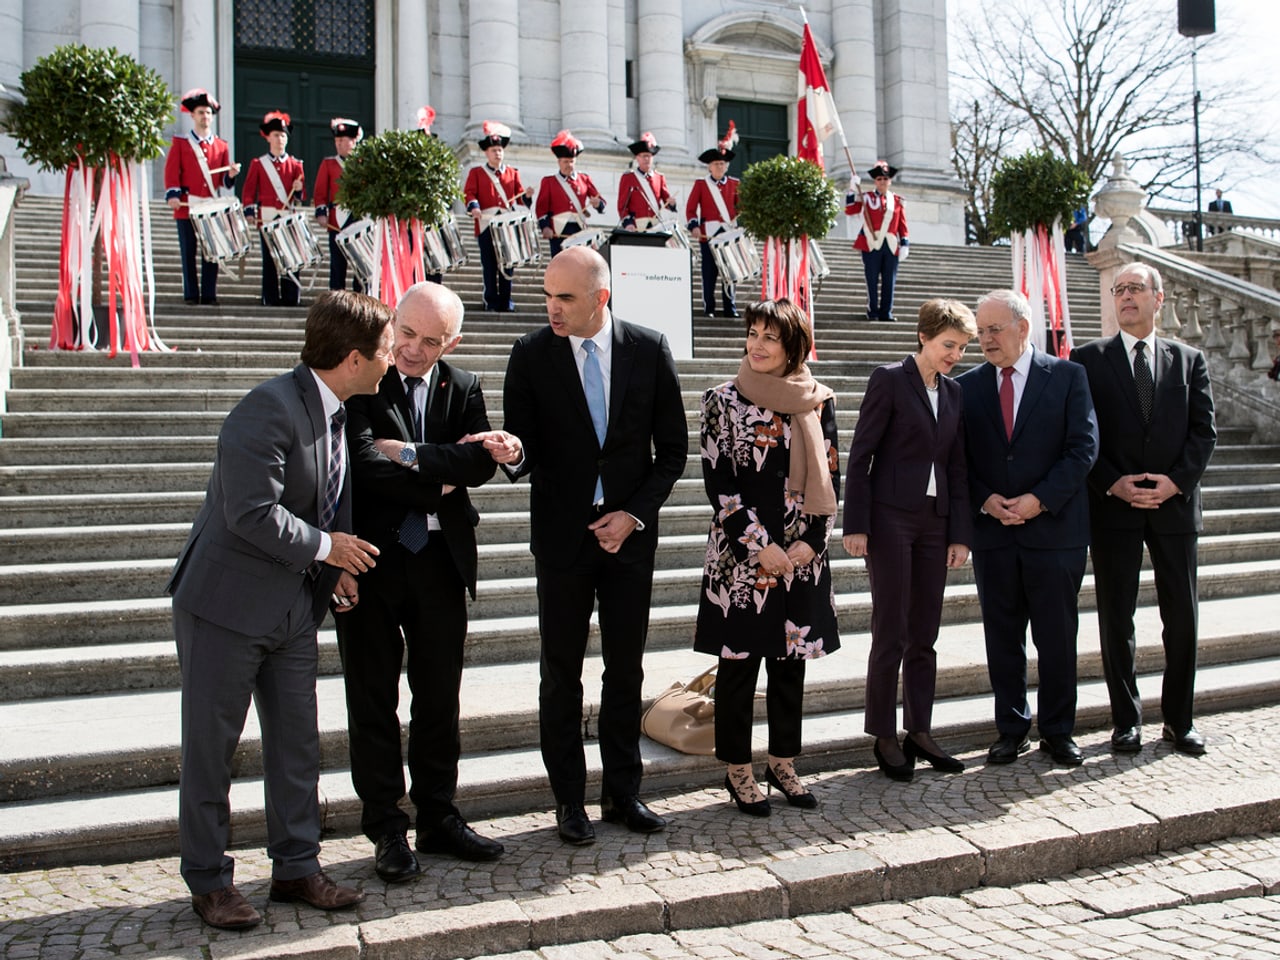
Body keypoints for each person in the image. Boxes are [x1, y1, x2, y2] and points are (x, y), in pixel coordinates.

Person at [167, 291, 393, 930]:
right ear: (353, 358)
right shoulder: (266, 407)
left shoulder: (339, 409)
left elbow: (330, 492)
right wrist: (330, 547)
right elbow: (250, 512)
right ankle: (209, 881)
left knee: (297, 746)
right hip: (224, 607)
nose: (391, 360)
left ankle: (297, 867)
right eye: (383, 350)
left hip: (294, 607)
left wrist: (337, 568)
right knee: (212, 750)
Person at [471, 246, 687, 845]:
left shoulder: (649, 348)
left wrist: (633, 517)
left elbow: (671, 452)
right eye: (546, 296)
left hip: (629, 542)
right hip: (563, 538)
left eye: (565, 298)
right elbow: (525, 445)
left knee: (626, 670)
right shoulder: (531, 352)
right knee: (560, 673)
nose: (552, 309)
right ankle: (569, 801)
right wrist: (513, 454)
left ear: (602, 298)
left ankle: (624, 794)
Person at [334, 282, 504, 882]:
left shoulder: (465, 385)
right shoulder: (361, 374)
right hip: (368, 560)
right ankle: (385, 827)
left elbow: (481, 464)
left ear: (451, 341)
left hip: (439, 561)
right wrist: (439, 471)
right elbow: (360, 464)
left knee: (439, 697)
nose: (412, 350)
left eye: (431, 341)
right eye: (406, 333)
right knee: (373, 698)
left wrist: (406, 454)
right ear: (392, 320)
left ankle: (438, 816)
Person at [695, 299, 841, 817]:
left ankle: (783, 762)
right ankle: (737, 769)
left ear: (794, 347)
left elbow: (830, 478)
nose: (756, 345)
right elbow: (722, 489)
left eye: (769, 337)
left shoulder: (818, 402)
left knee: (789, 667)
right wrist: (764, 547)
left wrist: (810, 543)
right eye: (752, 333)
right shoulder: (721, 401)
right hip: (742, 562)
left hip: (801, 558)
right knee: (738, 668)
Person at [1070, 264, 1217, 756]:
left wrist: (1175, 483)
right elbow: (1081, 434)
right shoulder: (1086, 359)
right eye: (1120, 290)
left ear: (1158, 298)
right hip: (1115, 507)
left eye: (1136, 289)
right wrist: (1113, 482)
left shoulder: (1189, 358)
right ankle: (1125, 721)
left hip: (1175, 507)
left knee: (1184, 617)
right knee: (1117, 616)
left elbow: (1204, 432)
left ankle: (1179, 720)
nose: (1126, 297)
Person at [957, 290, 1098, 767]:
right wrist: (985, 500)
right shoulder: (968, 385)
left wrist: (1040, 500)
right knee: (1002, 636)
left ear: (1024, 327)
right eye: (980, 331)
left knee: (1057, 636)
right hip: (995, 533)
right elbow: (957, 457)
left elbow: (1083, 448)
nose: (985, 339)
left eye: (994, 329)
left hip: (1055, 532)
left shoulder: (1068, 377)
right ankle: (1011, 728)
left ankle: (1059, 730)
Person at [843, 300, 976, 782]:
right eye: (948, 345)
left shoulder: (956, 392)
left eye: (962, 348)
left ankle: (920, 728)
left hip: (935, 523)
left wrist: (960, 533)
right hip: (890, 519)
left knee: (926, 634)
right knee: (892, 629)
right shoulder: (889, 380)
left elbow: (958, 466)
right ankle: (883, 733)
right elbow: (861, 456)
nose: (955, 355)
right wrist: (855, 524)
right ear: (923, 337)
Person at [163, 88, 240, 306]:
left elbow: (223, 182)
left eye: (208, 113)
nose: (205, 117)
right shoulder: (181, 142)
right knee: (188, 251)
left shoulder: (221, 145)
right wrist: (173, 195)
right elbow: (171, 172)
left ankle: (208, 294)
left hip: (210, 206)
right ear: (192, 116)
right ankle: (190, 294)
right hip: (187, 205)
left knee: (212, 252)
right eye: (201, 113)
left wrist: (231, 175)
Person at [463, 120, 534, 312]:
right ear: (487, 153)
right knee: (490, 265)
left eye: (500, 150)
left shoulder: (512, 173)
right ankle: (491, 301)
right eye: (494, 150)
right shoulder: (476, 172)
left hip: (507, 226)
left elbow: (519, 200)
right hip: (486, 224)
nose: (497, 153)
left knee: (508, 264)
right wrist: (475, 207)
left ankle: (506, 300)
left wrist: (526, 196)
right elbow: (469, 194)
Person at [242, 110, 306, 306]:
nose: (280, 139)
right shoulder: (258, 164)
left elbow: (301, 196)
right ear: (268, 137)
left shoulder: (296, 165)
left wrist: (299, 189)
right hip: (267, 217)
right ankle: (269, 298)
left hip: (287, 216)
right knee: (270, 260)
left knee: (290, 258)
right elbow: (248, 191)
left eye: (283, 135)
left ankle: (290, 297)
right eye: (277, 135)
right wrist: (250, 212)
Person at [686, 123, 741, 318]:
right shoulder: (701, 184)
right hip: (707, 234)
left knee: (730, 273)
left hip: (728, 234)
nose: (720, 166)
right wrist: (693, 225)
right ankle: (709, 308)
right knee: (709, 274)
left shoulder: (735, 184)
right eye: (716, 163)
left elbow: (741, 209)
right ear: (709, 166)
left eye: (723, 163)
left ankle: (730, 307)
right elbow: (691, 209)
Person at [846, 160, 909, 322]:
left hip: (890, 245)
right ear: (875, 181)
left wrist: (905, 243)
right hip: (870, 243)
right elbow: (850, 210)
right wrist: (852, 189)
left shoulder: (896, 200)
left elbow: (902, 224)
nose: (882, 182)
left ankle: (886, 312)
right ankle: (872, 311)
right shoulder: (865, 197)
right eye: (879, 179)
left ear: (890, 181)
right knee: (871, 279)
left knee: (889, 281)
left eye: (885, 179)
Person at [535, 130, 606, 257]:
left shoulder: (584, 179)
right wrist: (545, 227)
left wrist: (598, 204)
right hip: (558, 231)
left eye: (571, 161)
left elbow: (601, 202)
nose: (569, 165)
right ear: (559, 162)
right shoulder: (548, 182)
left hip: (579, 230)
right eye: (565, 162)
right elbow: (541, 209)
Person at [313, 117, 364, 293]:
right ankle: (336, 300)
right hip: (336, 219)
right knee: (337, 265)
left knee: (360, 263)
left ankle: (359, 299)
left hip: (359, 217)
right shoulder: (328, 164)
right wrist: (321, 212)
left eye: (342, 140)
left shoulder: (363, 164)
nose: (339, 144)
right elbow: (320, 192)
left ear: (354, 140)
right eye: (337, 140)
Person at [617, 132, 678, 232]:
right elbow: (622, 206)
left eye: (649, 156)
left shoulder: (659, 177)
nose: (646, 159)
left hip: (656, 226)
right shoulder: (628, 177)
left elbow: (666, 201)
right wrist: (628, 223)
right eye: (644, 156)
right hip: (636, 226)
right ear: (637, 158)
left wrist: (672, 203)